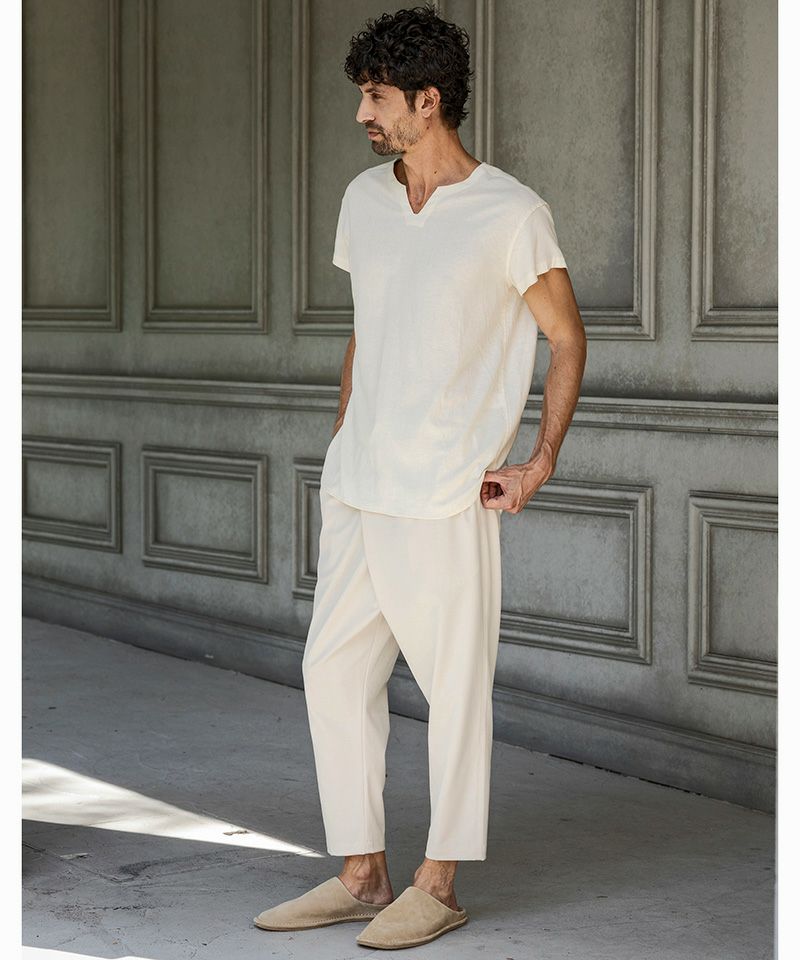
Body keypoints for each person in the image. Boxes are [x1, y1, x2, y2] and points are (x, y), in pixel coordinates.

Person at [254, 3, 586, 950]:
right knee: (331, 671)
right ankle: (363, 876)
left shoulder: (511, 214)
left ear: (428, 101)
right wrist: (345, 430)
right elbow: (370, 324)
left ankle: (437, 884)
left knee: (454, 690)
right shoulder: (364, 199)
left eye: (377, 96)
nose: (363, 113)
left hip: (447, 489)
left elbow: (567, 339)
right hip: (360, 480)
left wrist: (539, 462)